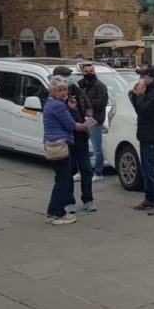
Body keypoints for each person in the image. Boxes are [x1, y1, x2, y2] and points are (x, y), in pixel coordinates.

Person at [43, 76, 88, 226]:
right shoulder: (58, 105)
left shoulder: (52, 103)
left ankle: (51, 212)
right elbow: (70, 124)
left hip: (53, 142)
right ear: (53, 91)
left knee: (60, 179)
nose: (64, 93)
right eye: (60, 90)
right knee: (63, 180)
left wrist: (70, 108)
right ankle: (59, 214)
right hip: (59, 144)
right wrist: (84, 126)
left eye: (65, 90)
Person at [52, 66, 94, 213]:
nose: (69, 79)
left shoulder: (77, 91)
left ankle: (88, 199)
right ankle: (69, 201)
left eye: (70, 76)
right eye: (66, 76)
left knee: (86, 169)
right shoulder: (54, 99)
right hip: (65, 139)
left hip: (81, 137)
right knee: (67, 171)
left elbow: (88, 107)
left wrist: (88, 116)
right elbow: (63, 119)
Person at [129, 67, 154, 215]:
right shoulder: (149, 91)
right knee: (145, 168)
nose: (141, 79)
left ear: (151, 77)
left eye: (143, 76)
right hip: (145, 134)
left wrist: (138, 95)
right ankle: (150, 198)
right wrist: (135, 95)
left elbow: (143, 110)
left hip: (153, 135)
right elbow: (138, 108)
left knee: (153, 168)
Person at [79, 62, 109, 181]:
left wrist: (86, 101)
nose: (89, 74)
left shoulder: (100, 86)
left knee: (97, 147)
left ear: (94, 71)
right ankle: (83, 171)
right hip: (84, 119)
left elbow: (102, 103)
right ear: (82, 73)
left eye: (91, 71)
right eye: (86, 72)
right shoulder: (81, 84)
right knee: (81, 146)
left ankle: (98, 172)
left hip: (95, 119)